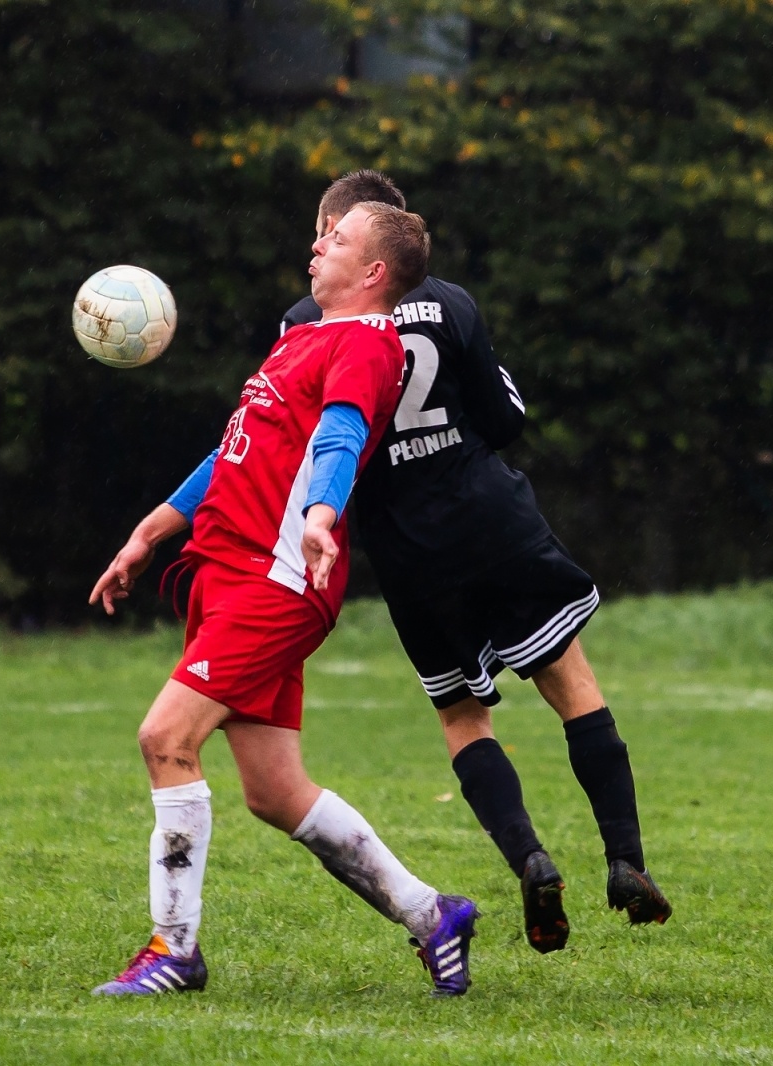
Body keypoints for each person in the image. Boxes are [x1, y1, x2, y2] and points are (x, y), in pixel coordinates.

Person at [87, 202, 480, 998]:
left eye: (335, 239)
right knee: (274, 792)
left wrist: (322, 514)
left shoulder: (368, 346)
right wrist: (150, 532)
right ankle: (433, 914)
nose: (315, 244)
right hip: (227, 574)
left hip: (276, 580)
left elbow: (340, 437)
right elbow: (235, 448)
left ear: (373, 272)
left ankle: (174, 948)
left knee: (165, 737)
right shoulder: (302, 337)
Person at [280, 171, 671, 955]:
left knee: (464, 719)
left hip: (408, 550)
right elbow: (503, 420)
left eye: (330, 233)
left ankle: (530, 857)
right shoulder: (451, 303)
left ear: (363, 245)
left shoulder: (303, 324)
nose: (318, 247)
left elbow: (308, 439)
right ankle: (626, 860)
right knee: (574, 688)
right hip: (490, 521)